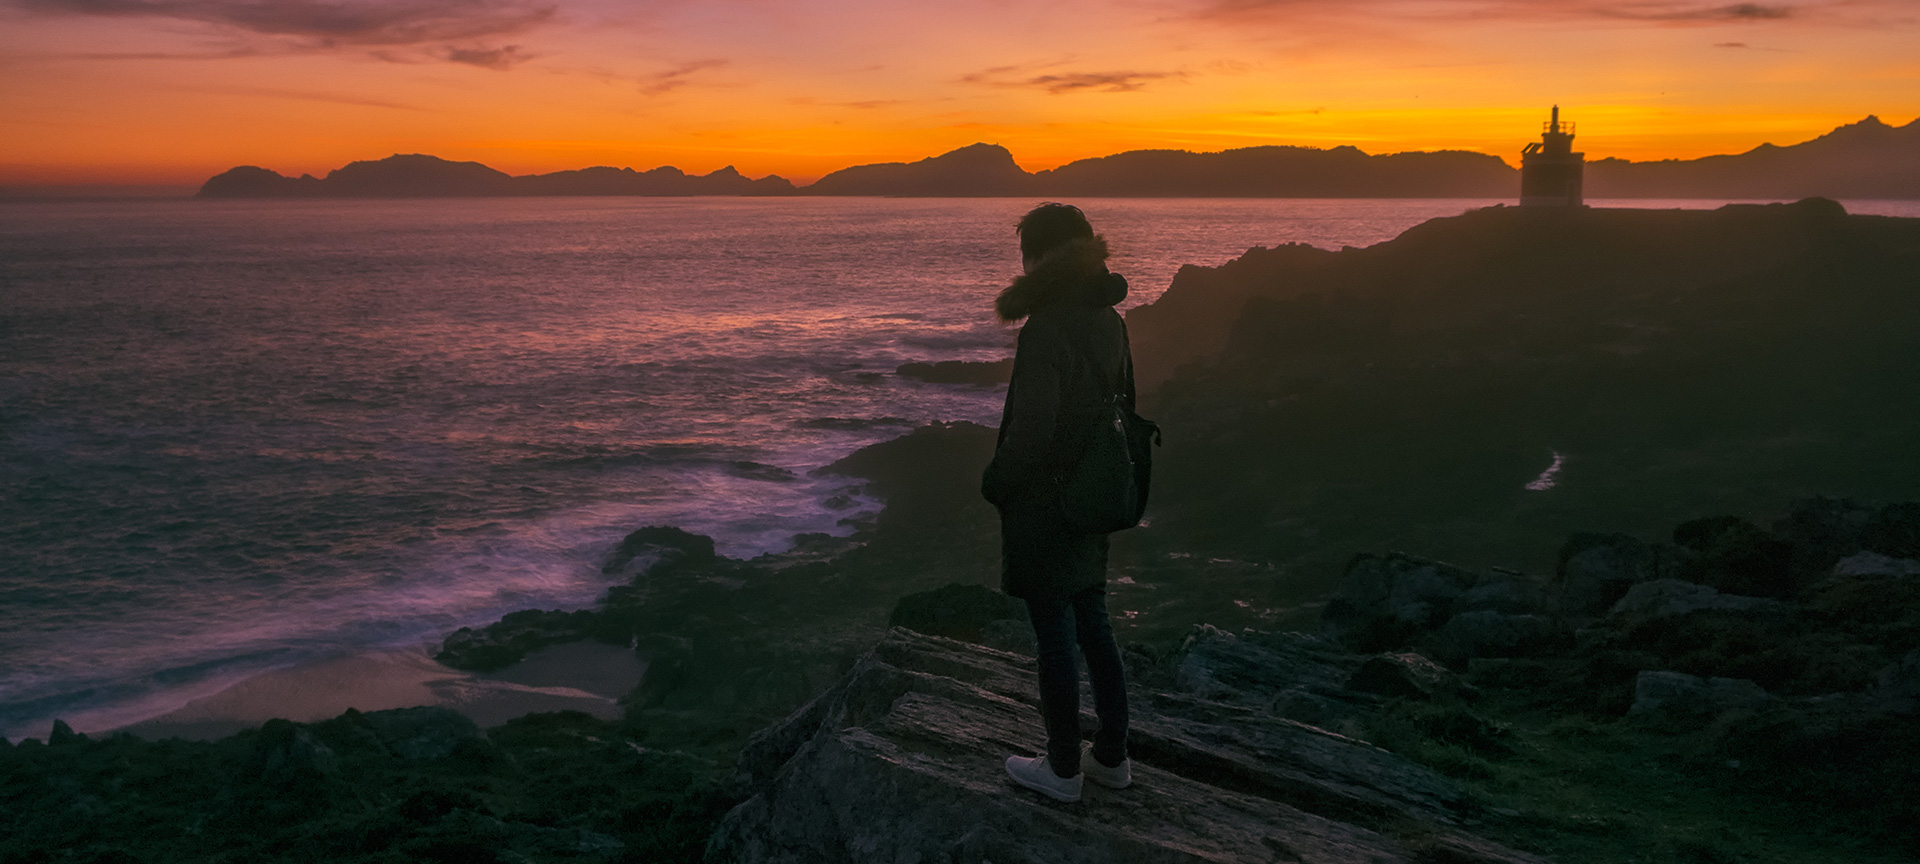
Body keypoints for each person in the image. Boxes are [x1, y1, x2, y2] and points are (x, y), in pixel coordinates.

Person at [982, 203, 1135, 803]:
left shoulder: (1047, 325)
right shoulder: (1108, 318)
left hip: (1047, 500)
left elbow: (1034, 428)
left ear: (1038, 256)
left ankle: (1063, 768)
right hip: (1092, 491)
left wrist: (998, 481)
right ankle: (1112, 757)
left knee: (1053, 633)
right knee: (1093, 622)